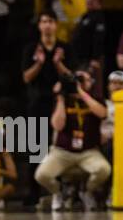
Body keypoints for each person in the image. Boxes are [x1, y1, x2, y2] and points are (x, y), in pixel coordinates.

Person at [34, 69, 111, 211]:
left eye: (84, 80)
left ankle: (86, 192)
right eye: (78, 80)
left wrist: (81, 93)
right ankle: (58, 192)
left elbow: (102, 113)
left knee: (104, 169)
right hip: (62, 151)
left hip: (88, 151)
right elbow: (58, 125)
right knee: (41, 175)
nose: (80, 83)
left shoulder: (96, 98)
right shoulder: (63, 99)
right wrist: (61, 98)